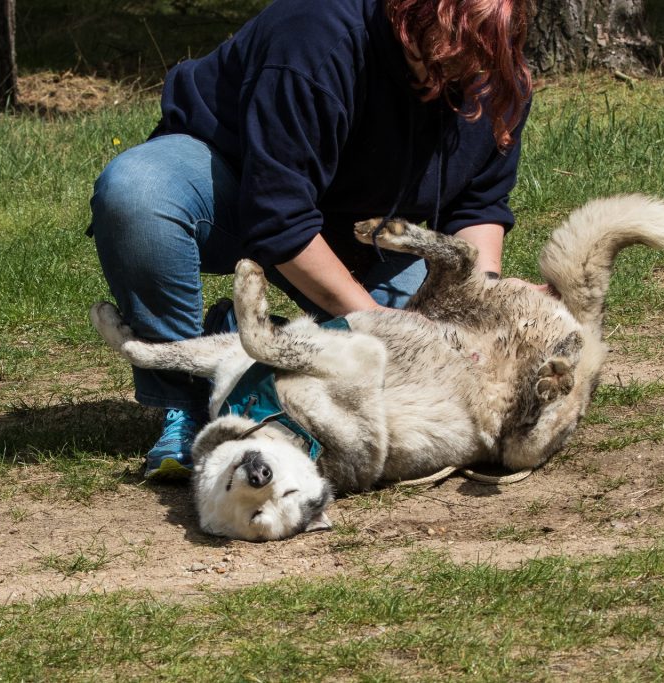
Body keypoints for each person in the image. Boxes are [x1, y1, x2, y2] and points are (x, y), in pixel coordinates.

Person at [89, 0, 534, 479]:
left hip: (365, 229)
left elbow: (476, 207)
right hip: (236, 186)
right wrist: (378, 328)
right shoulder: (315, 36)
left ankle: (240, 343)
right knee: (138, 195)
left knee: (420, 377)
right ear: (410, 19)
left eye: (472, 66)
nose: (459, 77)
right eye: (442, 61)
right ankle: (186, 403)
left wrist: (479, 312)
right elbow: (279, 215)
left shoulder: (495, 71)